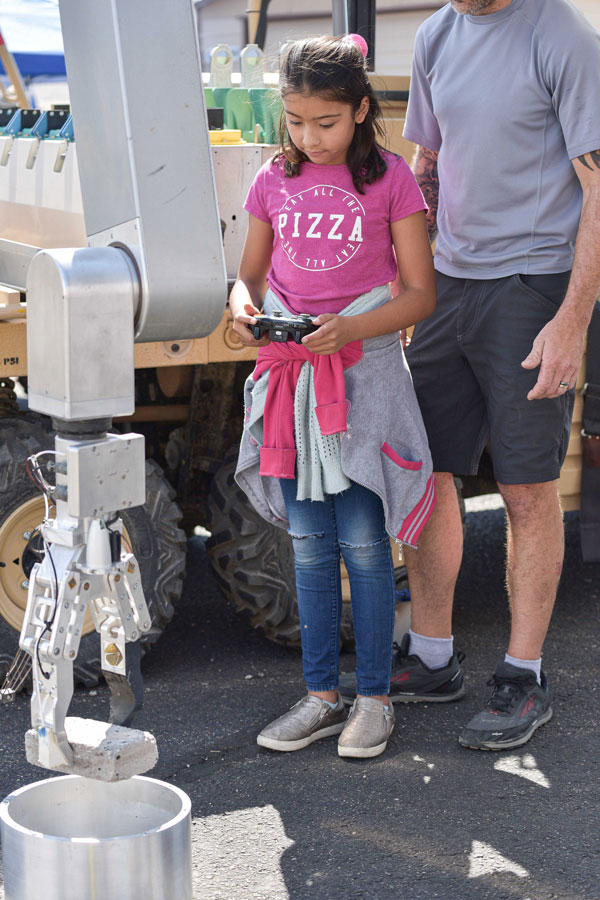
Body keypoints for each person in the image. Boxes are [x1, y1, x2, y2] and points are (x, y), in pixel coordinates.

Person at [342, 0, 600, 751]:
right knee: (429, 471)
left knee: (525, 486)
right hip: (449, 284)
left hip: (533, 285)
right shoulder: (436, 35)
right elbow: (427, 167)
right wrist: (404, 278)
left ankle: (524, 676)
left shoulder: (562, 35)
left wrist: (572, 322)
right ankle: (432, 657)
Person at [230, 34, 437, 759]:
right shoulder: (269, 181)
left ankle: (374, 699)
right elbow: (248, 277)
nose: (309, 137)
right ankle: (321, 696)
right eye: (294, 121)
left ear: (358, 111)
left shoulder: (391, 183)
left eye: (325, 122)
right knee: (311, 548)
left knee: (363, 544)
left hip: (365, 379)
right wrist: (241, 309)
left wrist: (350, 324)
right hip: (290, 382)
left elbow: (420, 295)